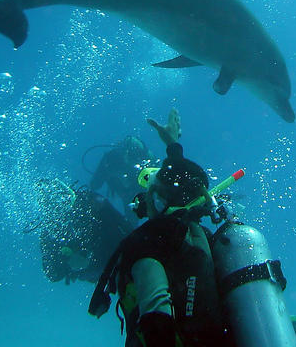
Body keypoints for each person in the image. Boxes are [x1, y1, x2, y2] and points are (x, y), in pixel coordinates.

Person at [90, 108, 232, 346]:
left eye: (150, 190)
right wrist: (173, 146)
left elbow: (157, 318)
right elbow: (182, 182)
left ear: (157, 200)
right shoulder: (207, 236)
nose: (144, 197)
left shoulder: (147, 243)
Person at [36, 180, 134, 284]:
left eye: (60, 199)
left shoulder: (91, 203)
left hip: (117, 257)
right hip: (102, 265)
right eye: (51, 205)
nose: (59, 207)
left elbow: (120, 231)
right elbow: (52, 274)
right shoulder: (52, 229)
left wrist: (82, 271)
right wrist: (62, 259)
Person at [88, 136, 160, 212]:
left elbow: (95, 184)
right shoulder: (111, 159)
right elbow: (95, 184)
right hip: (130, 194)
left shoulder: (147, 157)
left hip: (137, 193)